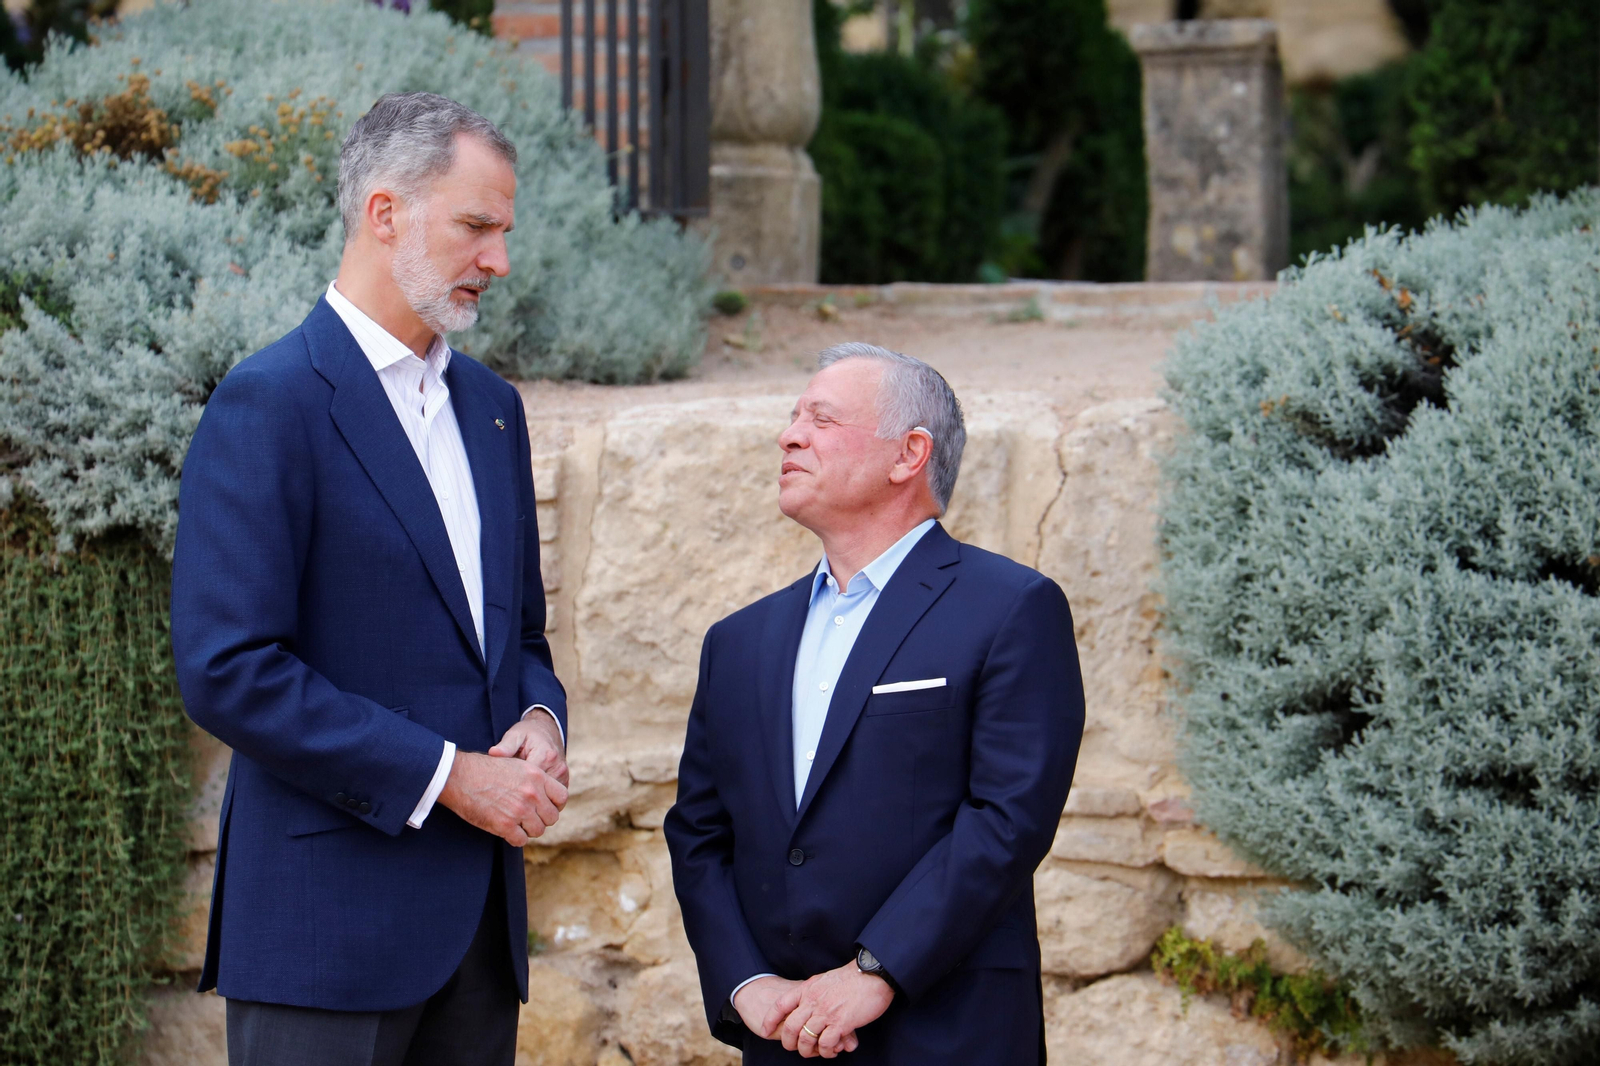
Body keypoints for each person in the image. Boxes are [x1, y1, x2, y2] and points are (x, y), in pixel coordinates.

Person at [170, 92, 569, 1066]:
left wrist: (542, 720)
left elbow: (515, 639)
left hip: (478, 940)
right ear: (383, 212)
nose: (499, 261)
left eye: (504, 231)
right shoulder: (268, 402)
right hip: (323, 937)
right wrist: (449, 776)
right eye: (476, 226)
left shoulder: (492, 409)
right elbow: (229, 669)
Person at [664, 343, 1085, 1063]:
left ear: (909, 454)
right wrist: (744, 982)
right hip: (784, 1035)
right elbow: (699, 832)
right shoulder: (737, 641)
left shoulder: (1012, 608)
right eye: (793, 417)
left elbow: (1008, 819)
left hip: (949, 1028)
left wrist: (876, 970)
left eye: (821, 419)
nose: (788, 435)